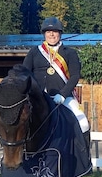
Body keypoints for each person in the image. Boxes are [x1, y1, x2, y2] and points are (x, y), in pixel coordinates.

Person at [22, 16, 90, 146]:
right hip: (38, 97)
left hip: (63, 97)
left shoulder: (70, 53)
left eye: (55, 31)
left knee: (83, 123)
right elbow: (25, 73)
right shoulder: (34, 52)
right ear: (44, 34)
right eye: (48, 32)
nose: (51, 34)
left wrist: (63, 94)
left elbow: (75, 76)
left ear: (60, 34)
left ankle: (84, 158)